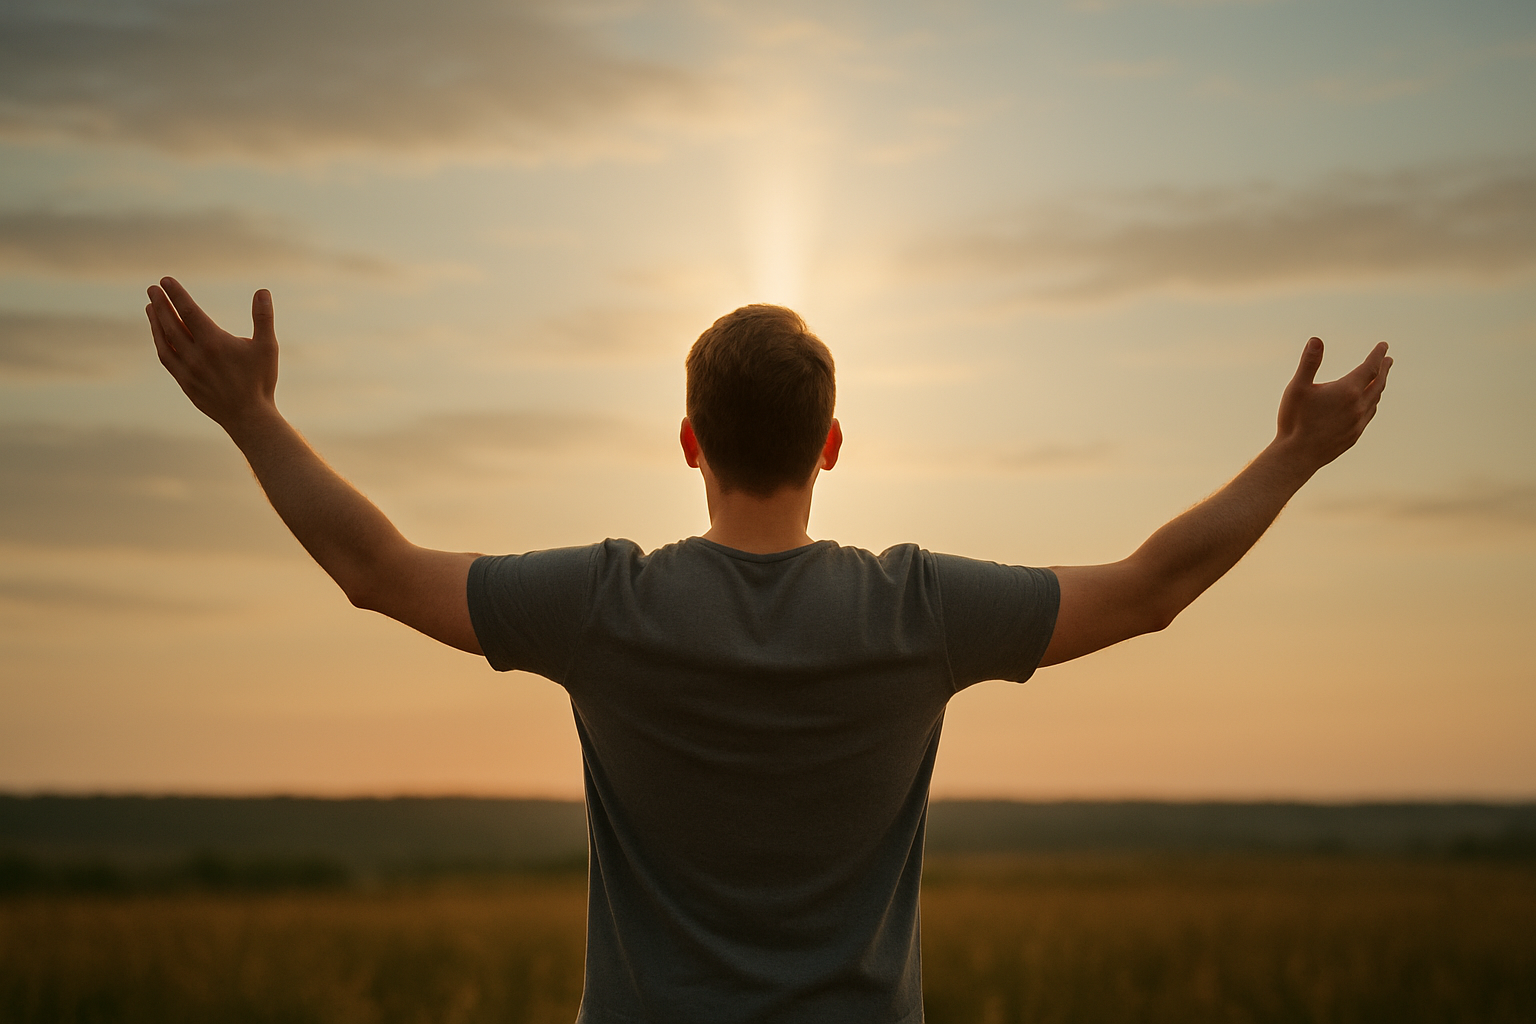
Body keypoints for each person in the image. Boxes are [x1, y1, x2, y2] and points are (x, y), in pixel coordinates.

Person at [146, 277, 1391, 1024]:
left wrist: (250, 416)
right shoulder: (920, 610)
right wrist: (1294, 455)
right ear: (832, 445)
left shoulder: (602, 604)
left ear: (689, 441)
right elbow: (1152, 588)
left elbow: (375, 570)